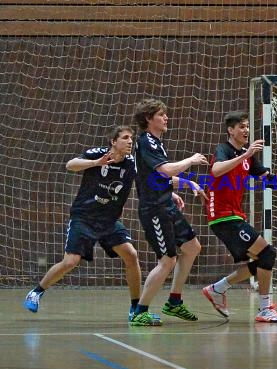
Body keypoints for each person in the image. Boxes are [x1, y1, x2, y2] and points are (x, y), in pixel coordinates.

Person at [23, 126, 146, 320]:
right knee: (71, 261)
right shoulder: (97, 153)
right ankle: (36, 292)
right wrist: (97, 163)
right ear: (114, 142)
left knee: (131, 254)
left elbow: (149, 181)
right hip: (84, 218)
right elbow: (70, 165)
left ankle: (136, 308)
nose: (130, 141)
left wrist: (173, 190)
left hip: (109, 221)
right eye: (125, 138)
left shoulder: (132, 164)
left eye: (132, 138)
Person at [201, 111, 277, 323]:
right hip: (221, 216)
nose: (246, 130)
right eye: (241, 127)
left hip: (234, 216)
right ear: (230, 130)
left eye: (247, 126)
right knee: (268, 253)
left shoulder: (247, 156)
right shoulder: (224, 149)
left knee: (265, 258)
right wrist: (244, 156)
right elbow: (217, 170)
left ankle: (218, 289)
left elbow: (272, 183)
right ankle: (264, 308)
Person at [129, 98, 209, 326]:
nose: (166, 118)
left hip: (166, 205)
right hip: (154, 210)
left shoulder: (156, 143)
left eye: (165, 114)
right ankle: (140, 311)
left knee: (192, 247)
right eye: (161, 114)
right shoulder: (147, 142)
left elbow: (158, 177)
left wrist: (189, 185)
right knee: (168, 260)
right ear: (148, 118)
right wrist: (191, 160)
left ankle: (174, 302)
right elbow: (164, 170)